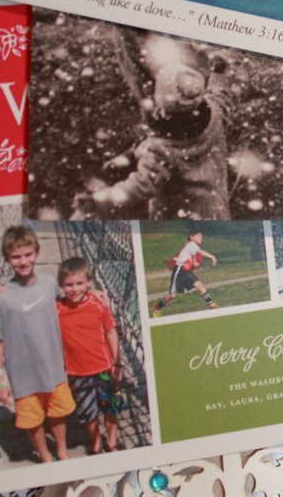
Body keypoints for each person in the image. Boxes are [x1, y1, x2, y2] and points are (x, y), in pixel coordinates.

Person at [73, 53, 236, 221]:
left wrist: (98, 201)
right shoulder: (214, 114)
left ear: (162, 101)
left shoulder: (163, 148)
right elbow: (220, 95)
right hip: (215, 213)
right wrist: (218, 73)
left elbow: (140, 186)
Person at [0, 225, 75, 463]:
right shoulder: (1, 297)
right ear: (7, 259)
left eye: (28, 254)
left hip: (54, 366)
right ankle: (45, 456)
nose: (23, 261)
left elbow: (71, 300)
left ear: (37, 253)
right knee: (32, 417)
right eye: (16, 257)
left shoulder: (49, 284)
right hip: (23, 374)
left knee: (58, 411)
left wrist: (94, 293)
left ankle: (61, 450)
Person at [56, 257, 126, 455]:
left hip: (104, 368)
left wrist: (117, 363)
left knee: (111, 408)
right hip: (77, 373)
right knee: (88, 412)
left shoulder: (98, 303)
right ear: (61, 285)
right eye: (69, 285)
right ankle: (95, 442)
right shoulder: (57, 309)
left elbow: (111, 332)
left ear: (88, 282)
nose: (75, 289)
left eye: (80, 283)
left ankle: (112, 442)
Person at [151, 229, 220, 317]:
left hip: (187, 272)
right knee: (172, 295)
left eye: (201, 236)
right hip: (179, 271)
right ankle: (156, 308)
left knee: (200, 285)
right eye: (198, 235)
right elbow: (201, 252)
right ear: (191, 237)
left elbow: (191, 258)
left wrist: (194, 263)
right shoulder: (191, 244)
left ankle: (210, 304)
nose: (200, 237)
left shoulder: (193, 247)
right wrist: (212, 257)